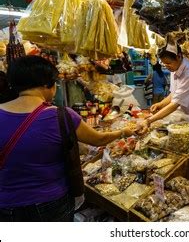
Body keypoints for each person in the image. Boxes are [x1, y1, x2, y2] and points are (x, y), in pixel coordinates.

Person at [0, 56, 136, 222]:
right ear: (46, 84)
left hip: (6, 205)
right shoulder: (61, 115)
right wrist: (123, 132)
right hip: (51, 202)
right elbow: (99, 140)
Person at [139, 45, 189, 134]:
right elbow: (173, 94)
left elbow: (175, 104)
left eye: (168, 63)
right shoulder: (174, 68)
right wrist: (161, 104)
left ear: (178, 57)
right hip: (180, 118)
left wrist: (149, 120)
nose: (166, 66)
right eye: (164, 63)